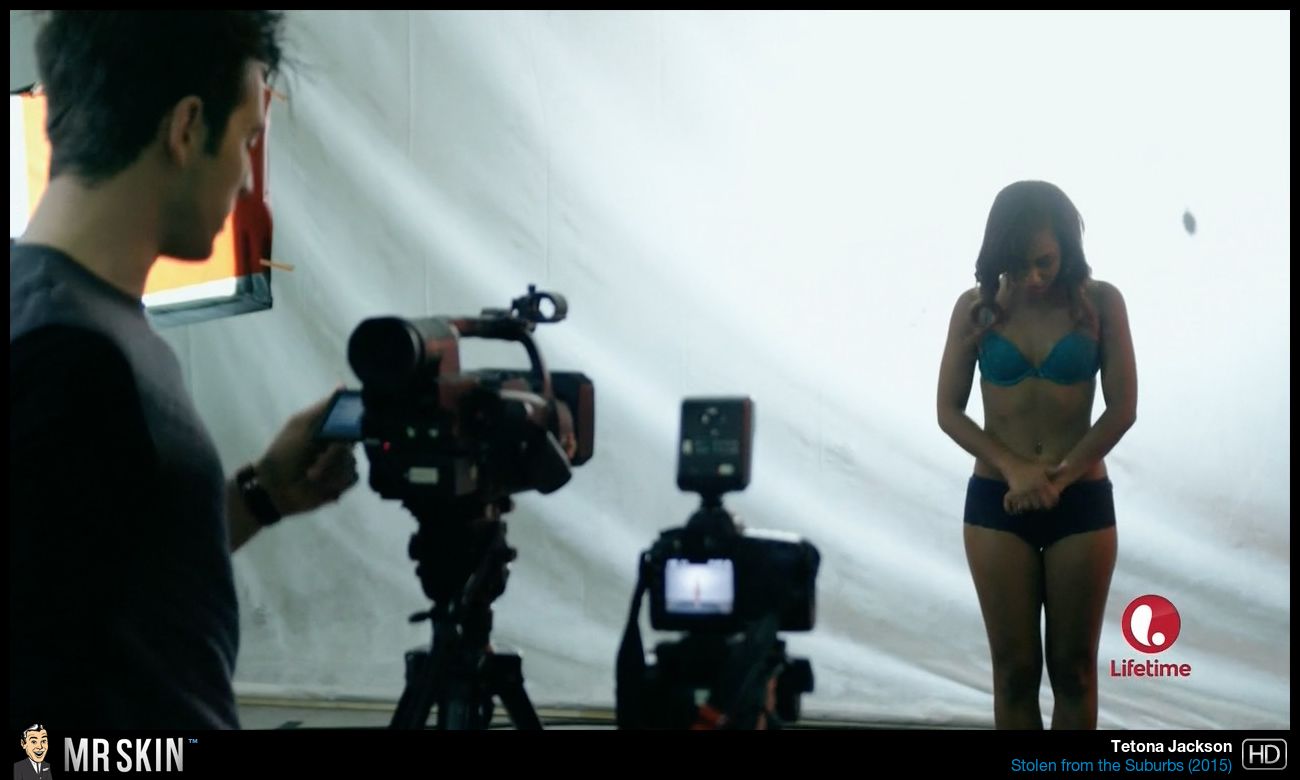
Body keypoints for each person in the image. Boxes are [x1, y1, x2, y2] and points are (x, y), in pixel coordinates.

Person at [9, 11, 360, 730]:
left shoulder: (76, 320)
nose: (247, 176)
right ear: (188, 128)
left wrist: (262, 494)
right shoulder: (69, 360)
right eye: (249, 140)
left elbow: (102, 576)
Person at [936, 180, 1138, 729]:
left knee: (1075, 671)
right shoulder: (976, 309)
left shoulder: (1101, 303)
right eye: (1016, 264)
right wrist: (1015, 468)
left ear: (1068, 247)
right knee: (1014, 673)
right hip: (998, 500)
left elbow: (1122, 409)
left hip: (1081, 498)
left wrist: (1058, 478)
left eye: (1044, 262)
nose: (1031, 277)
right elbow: (948, 411)